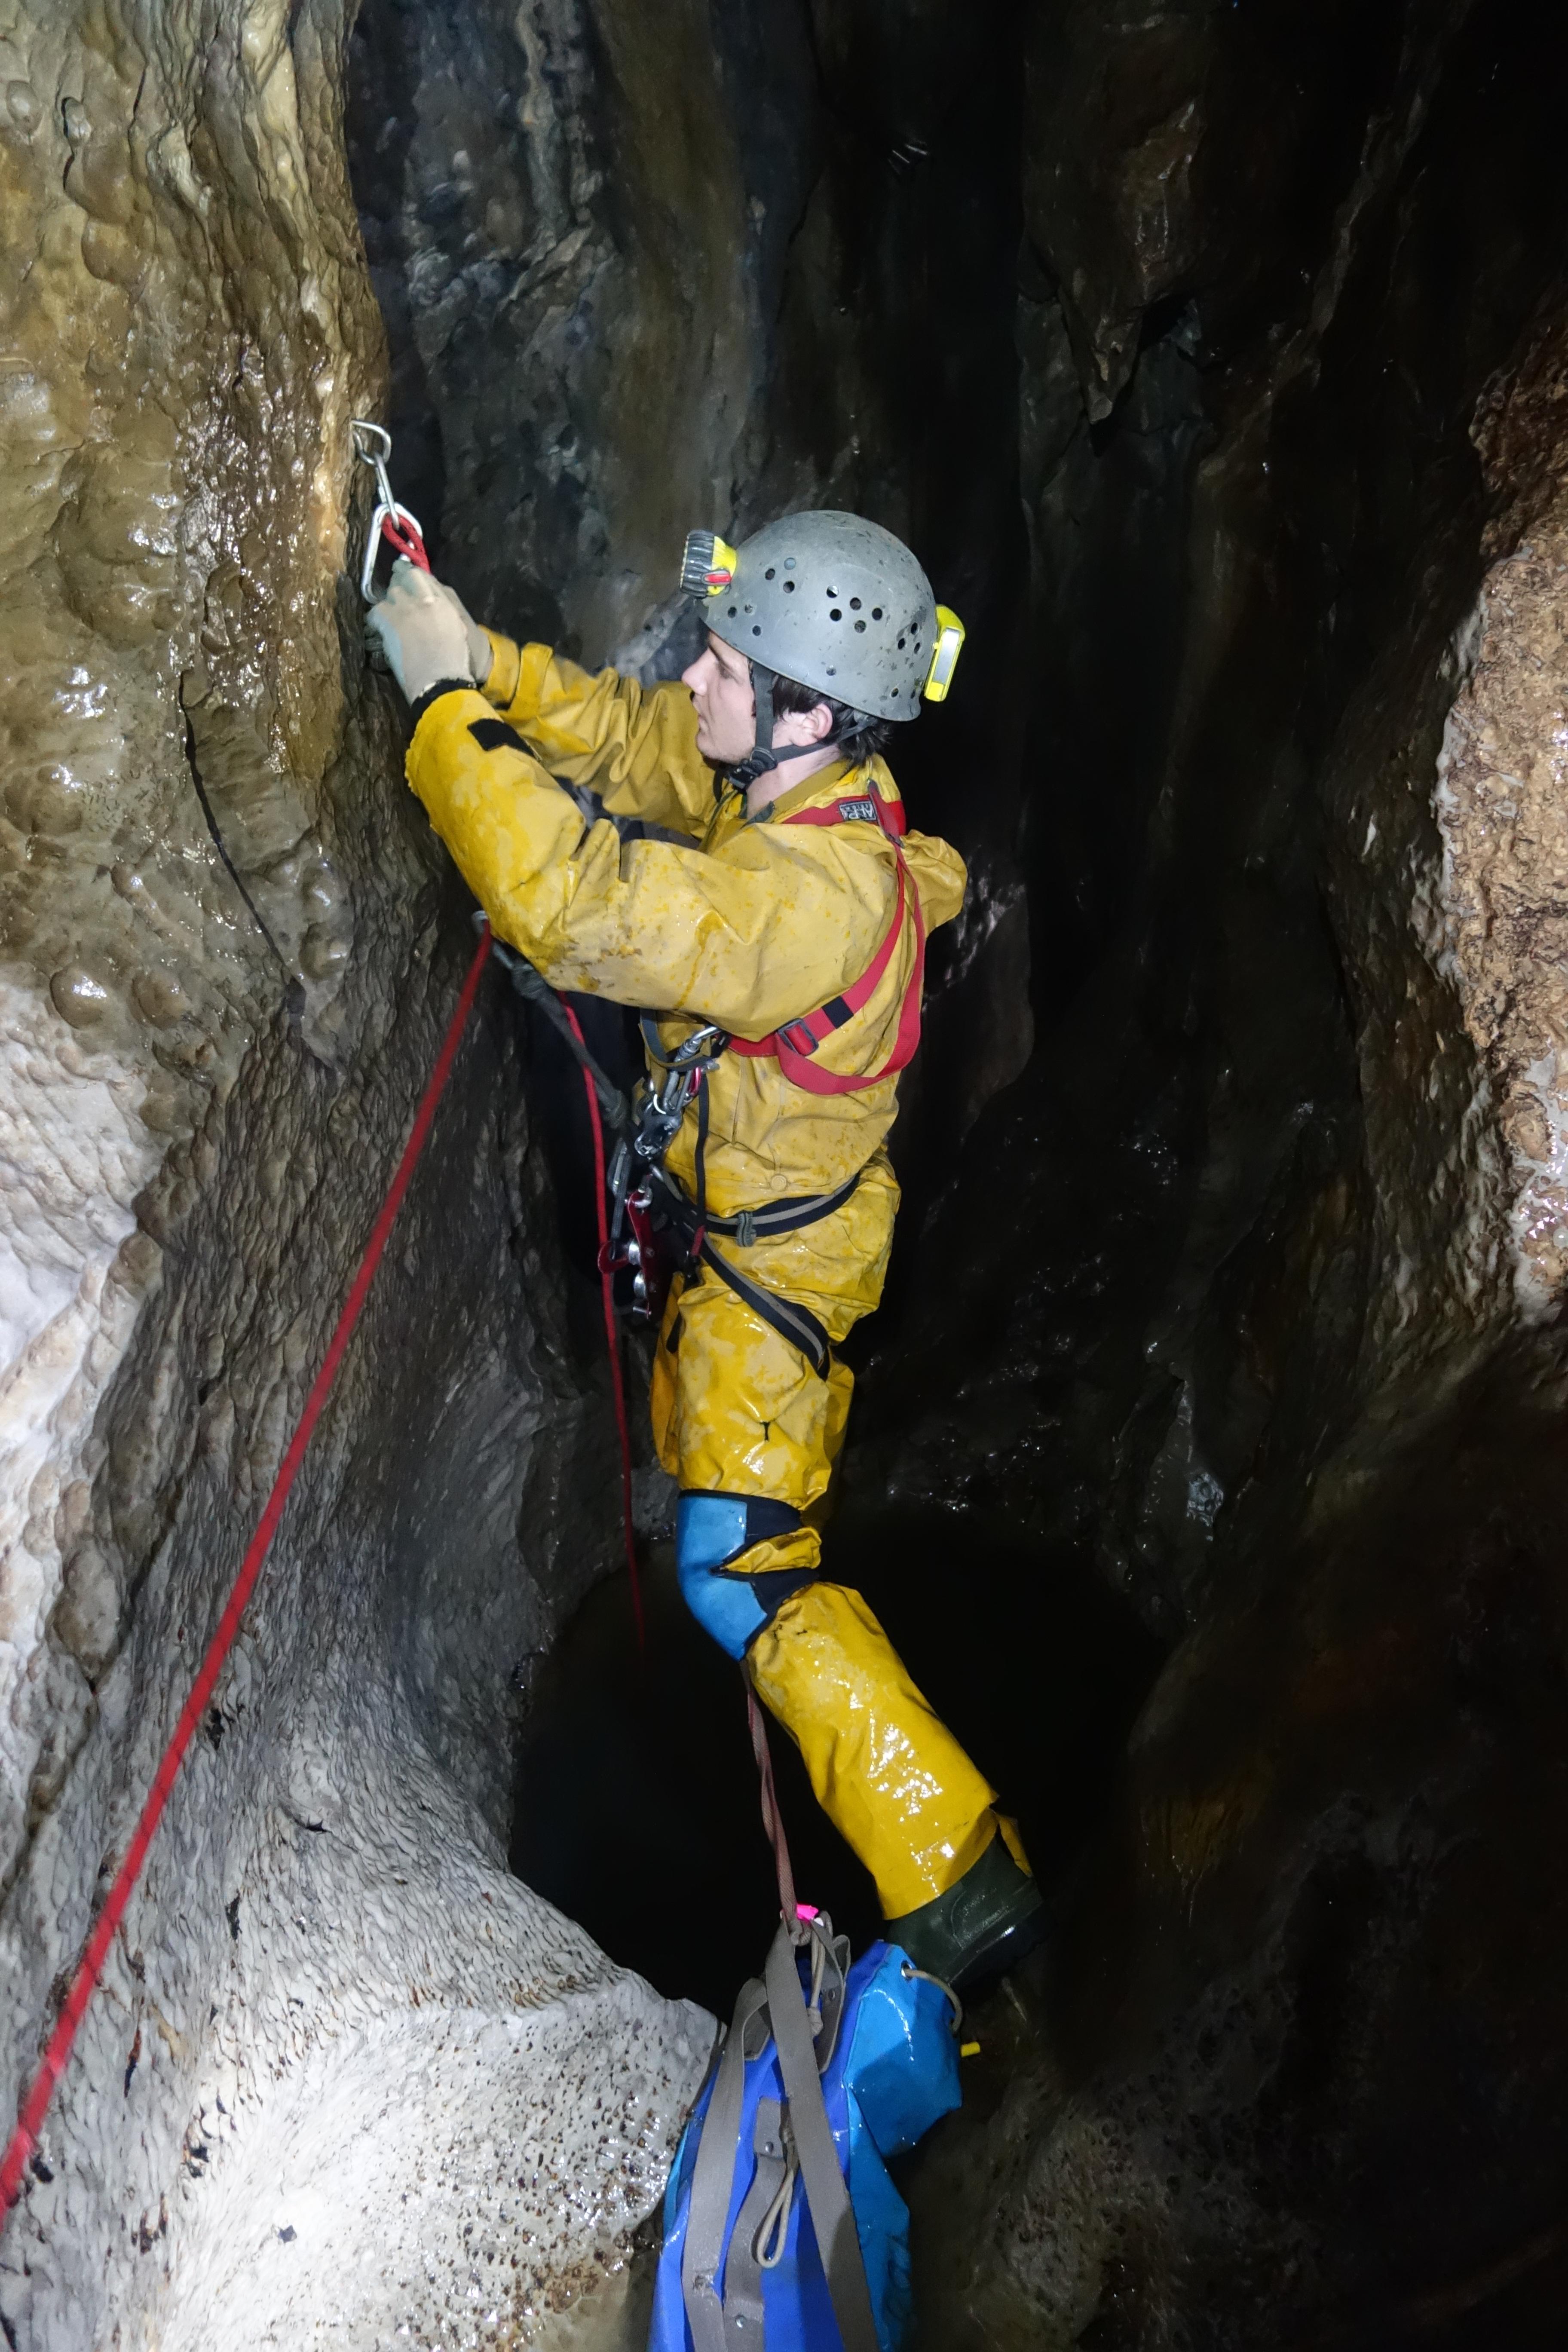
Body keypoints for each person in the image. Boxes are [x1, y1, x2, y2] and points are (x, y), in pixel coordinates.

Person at [367, 511, 1044, 1990]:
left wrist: (438, 707)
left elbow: (579, 907)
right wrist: (485, 658)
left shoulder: (810, 901)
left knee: (743, 1570)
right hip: (745, 1234)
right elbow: (632, 743)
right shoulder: (801, 791)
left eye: (725, 668)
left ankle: (959, 1873)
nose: (693, 679)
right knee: (718, 1519)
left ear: (805, 713)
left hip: (776, 1271)